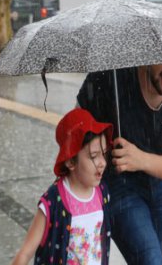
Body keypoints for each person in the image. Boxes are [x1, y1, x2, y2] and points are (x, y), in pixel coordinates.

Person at [77, 61, 162, 265]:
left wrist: (139, 159)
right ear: (149, 54)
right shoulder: (109, 77)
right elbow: (74, 140)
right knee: (150, 260)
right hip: (117, 182)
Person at [12, 108, 113, 265]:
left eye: (104, 154)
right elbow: (25, 253)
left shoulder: (102, 193)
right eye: (94, 156)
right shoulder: (53, 201)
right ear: (71, 161)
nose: (102, 163)